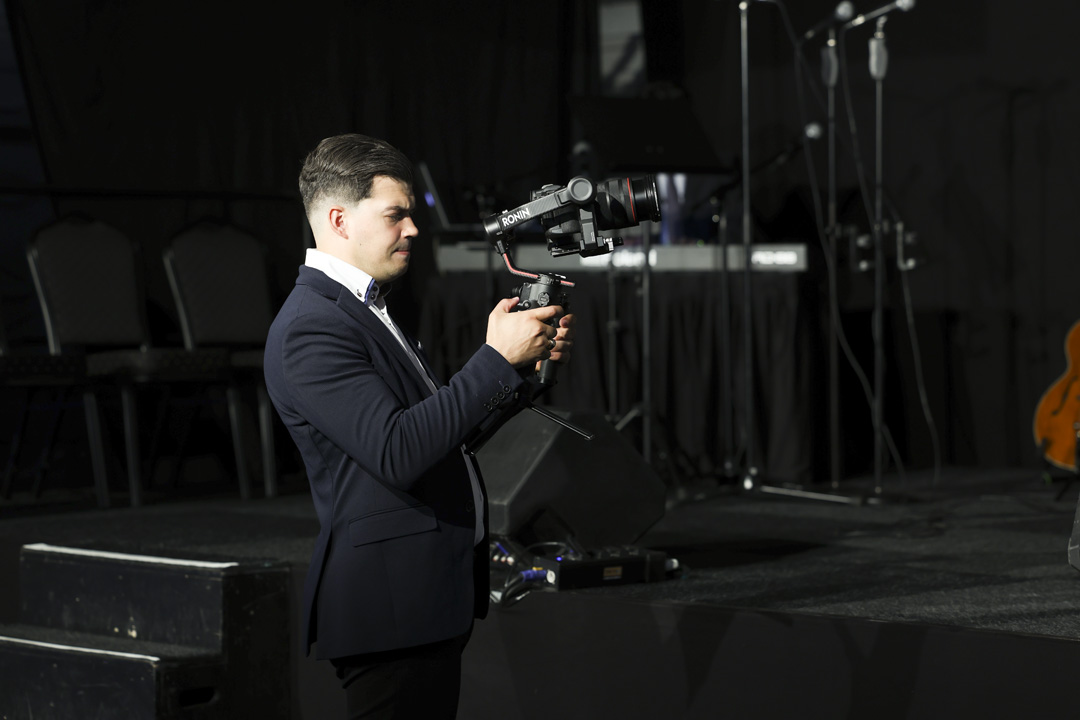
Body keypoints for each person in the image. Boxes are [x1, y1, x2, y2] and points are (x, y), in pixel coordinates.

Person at [263, 133, 574, 718]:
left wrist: (519, 373)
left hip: (421, 599)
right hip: (388, 607)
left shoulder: (364, 309)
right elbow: (399, 450)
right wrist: (494, 359)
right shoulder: (311, 326)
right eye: (395, 215)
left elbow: (441, 440)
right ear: (339, 220)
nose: (413, 229)